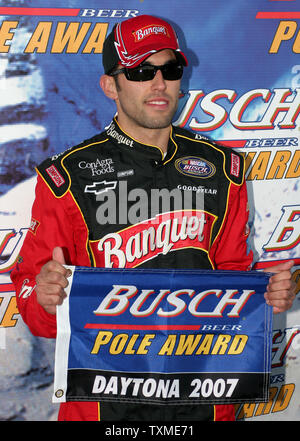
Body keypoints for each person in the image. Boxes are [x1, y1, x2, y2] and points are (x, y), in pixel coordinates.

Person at [11, 14, 296, 422]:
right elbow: (33, 303)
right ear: (110, 85)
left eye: (170, 69)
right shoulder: (67, 178)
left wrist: (265, 298)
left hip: (204, 399)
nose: (159, 82)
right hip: (104, 402)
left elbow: (232, 276)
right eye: (142, 71)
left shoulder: (222, 169)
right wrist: (44, 295)